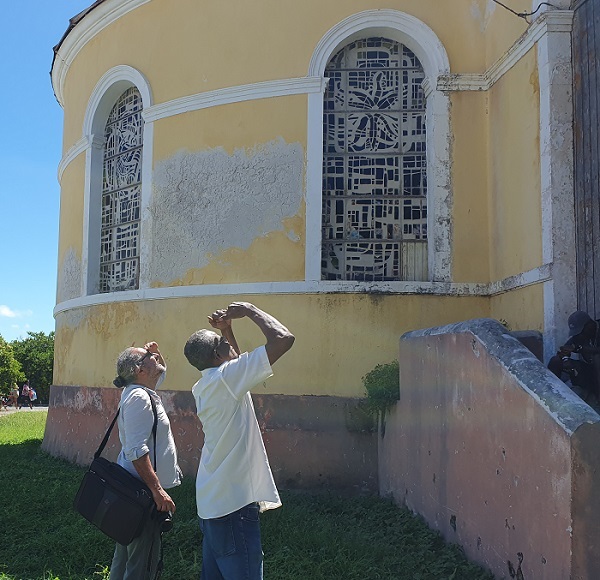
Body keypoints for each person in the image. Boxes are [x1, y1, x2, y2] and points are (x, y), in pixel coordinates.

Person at [184, 302, 295, 580]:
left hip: (211, 503)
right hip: (233, 506)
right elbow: (283, 339)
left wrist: (227, 330)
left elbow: (233, 363)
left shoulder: (206, 383)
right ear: (217, 353)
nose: (228, 344)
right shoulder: (226, 379)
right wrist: (250, 310)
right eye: (223, 342)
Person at [109, 341, 182, 580]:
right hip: (141, 494)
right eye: (150, 356)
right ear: (140, 370)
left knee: (125, 556)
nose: (156, 358)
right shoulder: (139, 398)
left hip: (133, 489)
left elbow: (161, 373)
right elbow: (136, 451)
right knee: (142, 563)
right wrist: (157, 490)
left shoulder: (141, 390)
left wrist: (157, 353)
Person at [548, 310, 600, 403]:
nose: (579, 335)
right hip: (591, 375)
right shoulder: (580, 337)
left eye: (581, 331)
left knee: (597, 358)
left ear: (589, 325)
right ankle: (551, 398)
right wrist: (565, 359)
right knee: (555, 360)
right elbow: (563, 351)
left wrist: (581, 348)